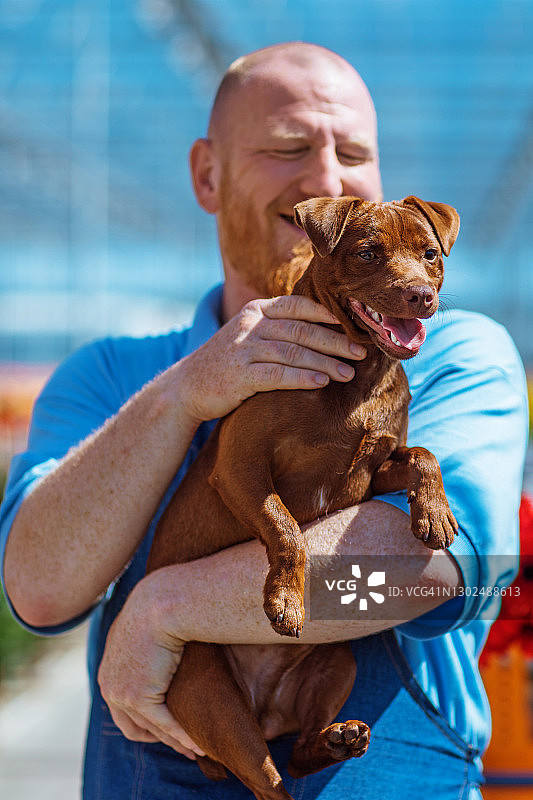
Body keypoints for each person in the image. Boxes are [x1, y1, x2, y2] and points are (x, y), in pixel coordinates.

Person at [0, 42, 528, 799]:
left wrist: (165, 610)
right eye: (287, 148)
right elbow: (40, 592)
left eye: (353, 151)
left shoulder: (453, 357)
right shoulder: (111, 377)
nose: (325, 176)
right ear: (206, 174)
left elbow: (433, 576)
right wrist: (185, 392)